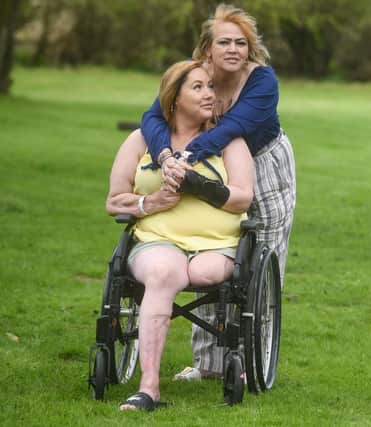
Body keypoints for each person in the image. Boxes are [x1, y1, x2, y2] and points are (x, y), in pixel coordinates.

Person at [140, 3, 296, 382]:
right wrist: (165, 155)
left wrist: (184, 155)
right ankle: (207, 364)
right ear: (207, 48)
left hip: (264, 166)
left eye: (240, 43)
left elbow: (234, 128)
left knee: (260, 261)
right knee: (206, 247)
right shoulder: (193, 76)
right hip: (207, 169)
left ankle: (249, 361)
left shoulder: (262, 81)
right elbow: (153, 116)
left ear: (250, 48)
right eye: (223, 42)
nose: (232, 49)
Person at [106, 59, 254, 411]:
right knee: (163, 273)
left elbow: (244, 197)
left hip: (217, 244)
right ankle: (149, 388)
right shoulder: (140, 140)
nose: (209, 94)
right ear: (174, 98)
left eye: (211, 88)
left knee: (203, 272)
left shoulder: (229, 141)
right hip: (159, 240)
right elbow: (114, 200)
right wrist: (152, 201)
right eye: (198, 87)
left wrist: (198, 185)